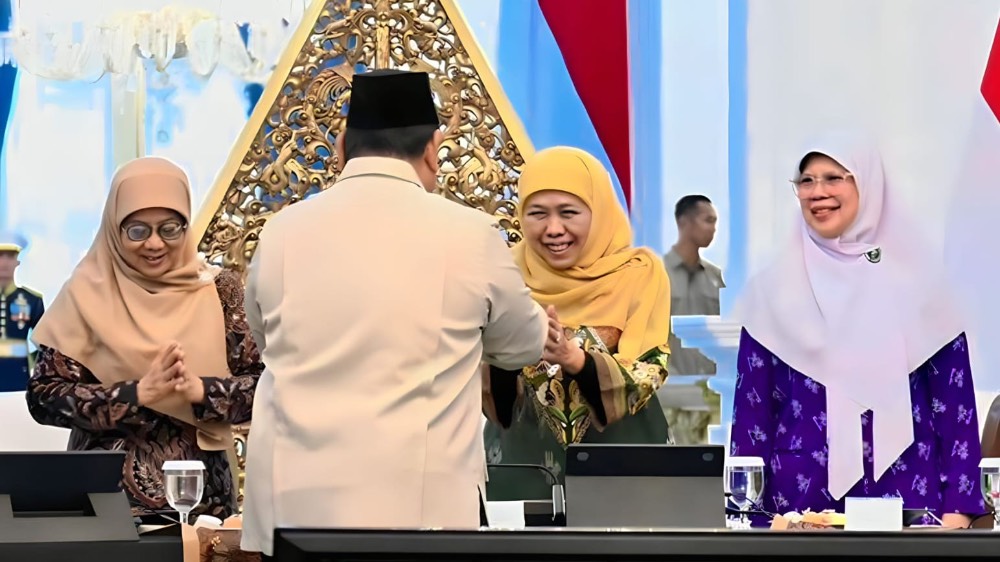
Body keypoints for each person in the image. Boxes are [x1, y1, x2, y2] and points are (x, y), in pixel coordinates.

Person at [240, 69, 548, 558]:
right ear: (433, 149)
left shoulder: (281, 231)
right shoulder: (469, 234)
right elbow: (524, 346)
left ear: (341, 147)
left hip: (294, 508)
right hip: (418, 511)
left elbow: (265, 339)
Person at [731, 132, 983, 528]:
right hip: (797, 518)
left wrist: (958, 514)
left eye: (834, 177)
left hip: (914, 515)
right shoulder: (771, 292)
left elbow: (955, 411)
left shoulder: (921, 288)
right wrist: (754, 519)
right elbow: (752, 417)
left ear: (869, 184)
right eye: (806, 180)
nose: (818, 192)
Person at [27, 157, 262, 520]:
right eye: (137, 230)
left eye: (170, 229)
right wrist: (135, 395)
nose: (154, 244)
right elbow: (44, 397)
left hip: (202, 504)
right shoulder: (85, 295)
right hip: (103, 503)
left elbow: (263, 388)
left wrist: (201, 391)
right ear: (114, 228)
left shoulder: (219, 291)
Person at [482, 146, 673, 501]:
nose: (554, 229)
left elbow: (649, 370)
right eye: (537, 214)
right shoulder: (502, 273)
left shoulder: (639, 273)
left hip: (627, 473)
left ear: (598, 211)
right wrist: (510, 351)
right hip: (521, 472)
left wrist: (576, 360)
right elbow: (480, 381)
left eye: (569, 212)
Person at [664, 195, 723, 377]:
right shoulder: (659, 274)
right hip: (669, 382)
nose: (713, 229)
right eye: (708, 220)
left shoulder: (715, 276)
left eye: (715, 222)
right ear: (684, 222)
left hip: (709, 382)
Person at [0, 231, 44, 392]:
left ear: (17, 261)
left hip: (17, 380)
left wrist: (31, 362)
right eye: (0, 256)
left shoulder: (32, 300)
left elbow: (45, 343)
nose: (4, 262)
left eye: (10, 256)